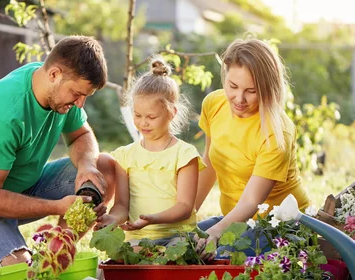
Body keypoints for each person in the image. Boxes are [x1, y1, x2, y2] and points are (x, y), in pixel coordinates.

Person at [0, 35, 116, 277]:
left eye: (85, 96)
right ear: (54, 74)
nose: (80, 104)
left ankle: (56, 257)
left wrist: (87, 165)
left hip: (20, 185)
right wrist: (57, 206)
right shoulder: (2, 114)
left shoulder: (54, 89)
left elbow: (81, 135)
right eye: (77, 94)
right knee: (21, 276)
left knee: (105, 167)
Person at [195, 37, 311, 258]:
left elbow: (251, 201)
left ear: (268, 89)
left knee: (220, 255)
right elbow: (209, 163)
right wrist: (186, 216)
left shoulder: (277, 133)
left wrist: (217, 231)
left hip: (281, 226)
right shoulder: (214, 104)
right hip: (237, 221)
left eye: (251, 90)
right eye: (233, 86)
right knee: (184, 241)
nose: (239, 98)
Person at [96, 57, 204, 245]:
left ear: (172, 113)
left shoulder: (184, 155)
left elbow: (185, 207)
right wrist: (112, 219)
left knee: (173, 257)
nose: (143, 122)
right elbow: (122, 205)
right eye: (137, 115)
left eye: (151, 117)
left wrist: (152, 219)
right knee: (131, 265)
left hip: (177, 237)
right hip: (138, 239)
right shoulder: (126, 156)